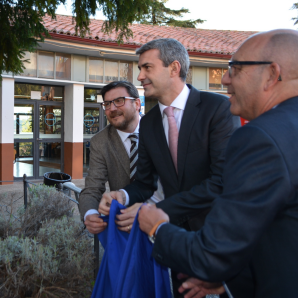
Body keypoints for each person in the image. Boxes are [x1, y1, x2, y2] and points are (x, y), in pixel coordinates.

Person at [139, 29, 298, 298]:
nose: (226, 79)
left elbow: (211, 255)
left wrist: (157, 227)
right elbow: (287, 237)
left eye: (236, 69)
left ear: (272, 74)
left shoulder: (260, 137)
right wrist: (232, 282)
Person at [98, 38, 241, 297]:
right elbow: (145, 182)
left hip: (219, 238)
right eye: (140, 68)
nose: (140, 76)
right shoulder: (150, 123)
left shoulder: (218, 109)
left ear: (174, 68)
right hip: (171, 239)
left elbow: (221, 182)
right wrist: (124, 195)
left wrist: (155, 210)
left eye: (147, 68)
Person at [79, 81, 152, 234]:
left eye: (119, 101)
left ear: (137, 103)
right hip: (124, 227)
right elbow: (92, 188)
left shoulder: (158, 129)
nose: (112, 108)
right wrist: (90, 213)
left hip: (163, 221)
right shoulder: (100, 142)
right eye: (107, 104)